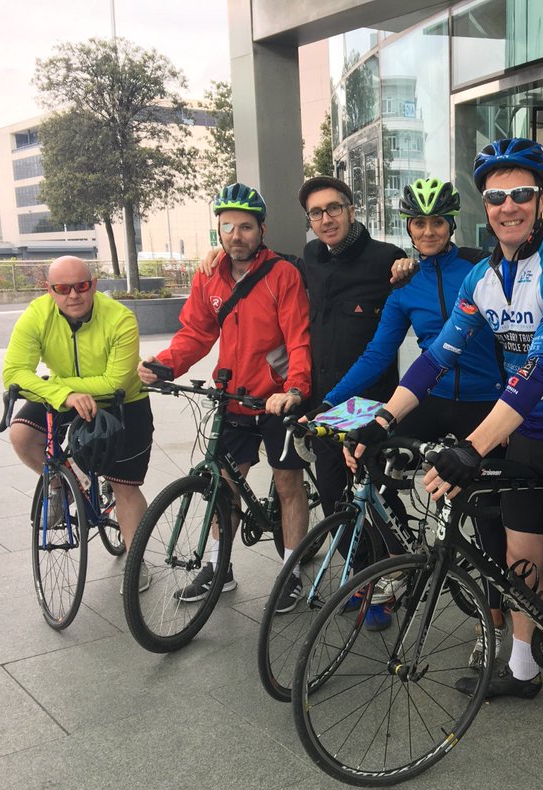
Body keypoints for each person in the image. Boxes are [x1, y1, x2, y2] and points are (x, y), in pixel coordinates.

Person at [350, 138, 543, 785]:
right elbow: (437, 355)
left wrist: (472, 446)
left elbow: (538, 370)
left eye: (521, 195)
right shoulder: (482, 277)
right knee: (519, 561)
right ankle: (524, 669)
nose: (508, 207)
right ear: (486, 205)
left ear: (540, 201)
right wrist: (384, 417)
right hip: (528, 437)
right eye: (497, 197)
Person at [320, 177, 508, 641]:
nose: (428, 231)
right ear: (409, 227)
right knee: (371, 458)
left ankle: (499, 603)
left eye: (437, 222)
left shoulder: (482, 268)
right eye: (418, 222)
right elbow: (377, 354)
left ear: (451, 223)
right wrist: (328, 402)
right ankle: (397, 562)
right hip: (432, 398)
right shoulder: (404, 288)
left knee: (490, 514)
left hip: (486, 403)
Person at [138, 183, 311, 602]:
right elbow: (196, 332)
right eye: (228, 226)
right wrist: (165, 364)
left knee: (288, 484)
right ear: (218, 230)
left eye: (246, 227)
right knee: (224, 485)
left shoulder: (282, 275)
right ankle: (219, 567)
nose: (237, 235)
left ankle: (291, 572)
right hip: (232, 397)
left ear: (262, 230)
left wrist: (295, 389)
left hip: (275, 399)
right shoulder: (208, 276)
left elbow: (298, 337)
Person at [4, 256, 154, 589]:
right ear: (50, 290)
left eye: (82, 286)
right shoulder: (36, 315)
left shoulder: (120, 318)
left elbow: (115, 380)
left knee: (125, 487)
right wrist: (64, 395)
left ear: (94, 285)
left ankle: (137, 562)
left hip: (123, 402)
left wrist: (63, 388)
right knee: (21, 434)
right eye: (62, 288)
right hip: (66, 397)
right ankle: (62, 484)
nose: (73, 295)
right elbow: (13, 373)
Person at [298, 175, 407, 523]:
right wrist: (223, 255)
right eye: (316, 213)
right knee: (333, 500)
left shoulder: (387, 259)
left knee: (381, 497)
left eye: (333, 208)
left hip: (370, 405)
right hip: (325, 404)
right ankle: (361, 574)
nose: (326, 219)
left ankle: (401, 567)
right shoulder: (311, 255)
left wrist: (409, 264)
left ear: (351, 210)